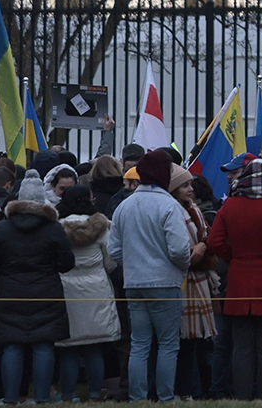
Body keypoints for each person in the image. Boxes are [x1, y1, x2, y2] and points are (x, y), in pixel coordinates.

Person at [106, 149, 193, 404]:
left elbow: (114, 251)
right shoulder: (168, 205)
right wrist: (182, 266)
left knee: (139, 345)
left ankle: (137, 397)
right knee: (168, 344)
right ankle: (166, 397)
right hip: (165, 283)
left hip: (134, 283)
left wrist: (133, 264)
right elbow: (179, 249)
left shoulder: (125, 205)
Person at [206, 158, 262, 399]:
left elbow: (214, 242)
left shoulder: (231, 206)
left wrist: (233, 256)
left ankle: (242, 397)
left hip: (239, 279)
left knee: (242, 346)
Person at [0, 173, 77, 404]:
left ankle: (11, 398)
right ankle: (43, 398)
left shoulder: (2, 228)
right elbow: (67, 264)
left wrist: (2, 284)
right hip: (46, 292)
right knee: (44, 346)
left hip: (10, 292)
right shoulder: (54, 229)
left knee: (12, 346)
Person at [55, 184, 118, 402]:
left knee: (68, 347)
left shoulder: (57, 226)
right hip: (96, 289)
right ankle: (94, 394)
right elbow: (111, 261)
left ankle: (68, 394)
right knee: (94, 345)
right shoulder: (101, 227)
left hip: (66, 288)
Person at [166, 166, 217, 398]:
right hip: (183, 282)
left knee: (194, 344)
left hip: (198, 282)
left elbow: (208, 245)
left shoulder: (194, 210)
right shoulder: (173, 211)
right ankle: (182, 391)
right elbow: (181, 254)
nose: (191, 189)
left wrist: (203, 246)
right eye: (185, 185)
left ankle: (192, 391)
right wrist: (197, 251)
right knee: (182, 343)